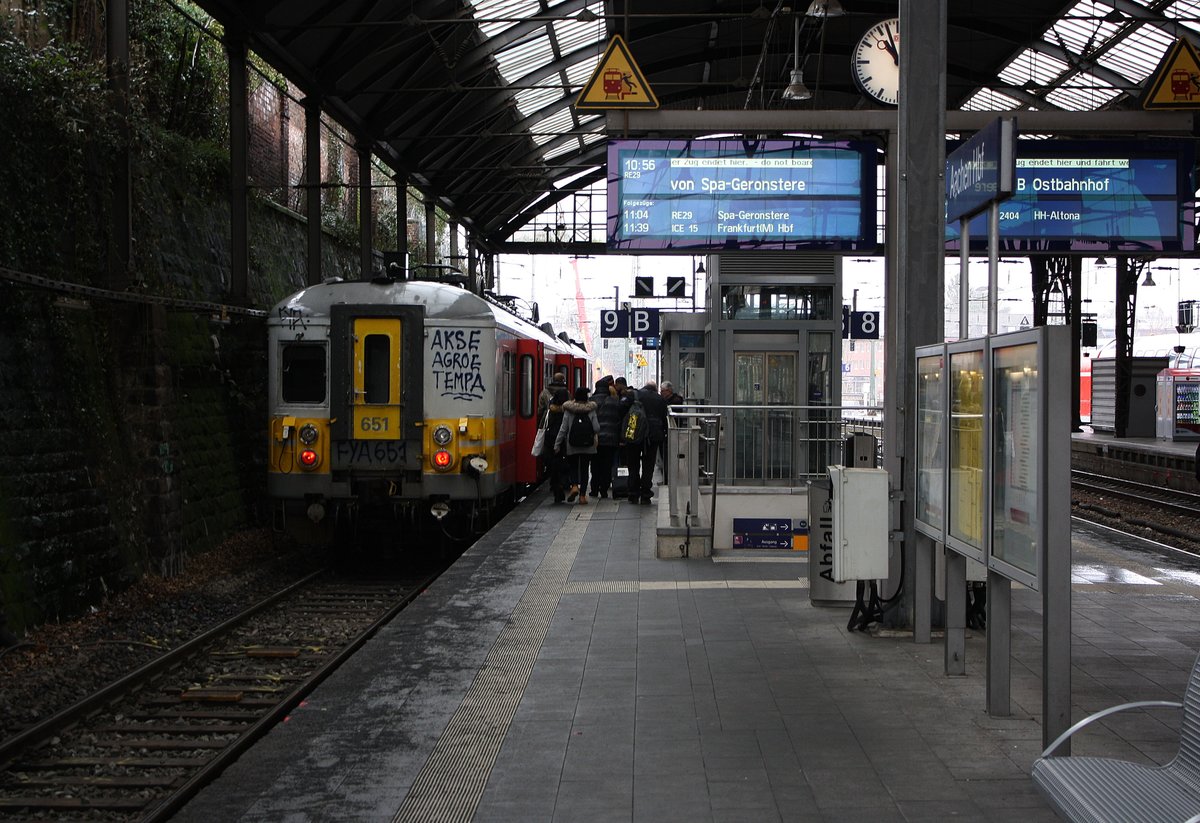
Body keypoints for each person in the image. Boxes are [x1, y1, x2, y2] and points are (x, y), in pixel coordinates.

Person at [555, 385, 599, 505]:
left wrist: (557, 444)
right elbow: (596, 428)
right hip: (588, 445)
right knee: (585, 470)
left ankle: (574, 486)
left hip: (572, 444)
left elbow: (563, 429)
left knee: (573, 466)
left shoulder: (569, 410)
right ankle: (582, 497)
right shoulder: (591, 409)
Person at [628, 380, 668, 504]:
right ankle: (646, 493)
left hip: (636, 433)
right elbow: (663, 417)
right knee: (648, 465)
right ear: (655, 389)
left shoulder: (636, 395)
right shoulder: (660, 399)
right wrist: (664, 432)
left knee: (633, 464)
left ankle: (633, 493)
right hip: (653, 435)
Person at [589, 376, 623, 499]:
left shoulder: (591, 401)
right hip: (610, 439)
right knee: (607, 465)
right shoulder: (614, 401)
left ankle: (594, 489)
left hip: (595, 439)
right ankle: (604, 490)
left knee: (594, 465)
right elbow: (618, 420)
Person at [543, 387, 570, 503]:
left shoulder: (550, 411)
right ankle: (562, 486)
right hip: (562, 443)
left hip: (550, 442)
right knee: (563, 466)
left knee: (553, 467)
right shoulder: (567, 412)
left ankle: (556, 488)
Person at [659, 381, 685, 483]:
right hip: (667, 432)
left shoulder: (675, 401)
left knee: (669, 457)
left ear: (669, 391)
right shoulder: (668, 400)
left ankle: (669, 479)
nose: (661, 393)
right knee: (665, 457)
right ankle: (666, 478)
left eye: (663, 391)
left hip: (671, 432)